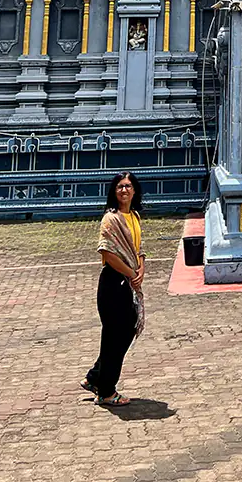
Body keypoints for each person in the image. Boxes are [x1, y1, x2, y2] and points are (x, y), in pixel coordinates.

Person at [81, 172, 146, 406]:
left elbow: (139, 249)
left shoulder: (135, 217)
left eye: (128, 186)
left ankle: (96, 377)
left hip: (128, 282)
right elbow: (107, 254)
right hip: (113, 283)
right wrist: (131, 273)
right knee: (114, 338)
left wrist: (140, 270)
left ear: (135, 191)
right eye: (120, 187)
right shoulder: (111, 219)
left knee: (125, 333)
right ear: (114, 191)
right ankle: (107, 390)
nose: (124, 190)